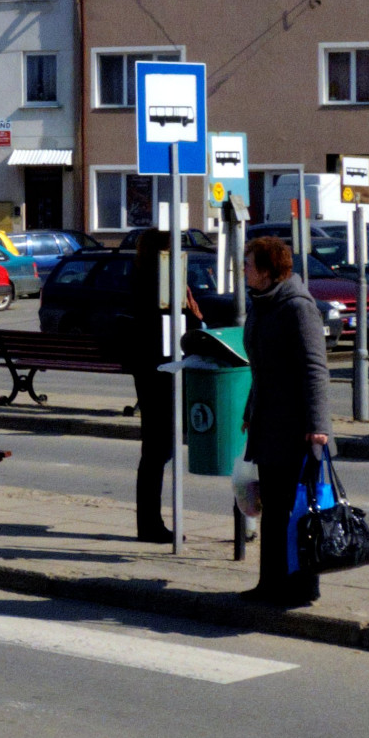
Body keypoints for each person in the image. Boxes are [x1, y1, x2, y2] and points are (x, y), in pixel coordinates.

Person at [240, 236, 332, 607]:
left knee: (298, 509)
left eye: (248, 264)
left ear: (265, 270)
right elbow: (262, 368)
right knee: (274, 509)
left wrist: (318, 426)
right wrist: (250, 410)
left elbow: (315, 368)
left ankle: (302, 587)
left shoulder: (296, 306)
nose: (243, 270)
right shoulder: (262, 304)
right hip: (268, 422)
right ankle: (271, 584)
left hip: (296, 427)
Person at [128, 229, 201, 544]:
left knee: (154, 450)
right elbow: (189, 324)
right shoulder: (164, 284)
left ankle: (149, 522)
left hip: (148, 369)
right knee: (158, 450)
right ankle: (150, 525)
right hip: (161, 371)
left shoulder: (141, 276)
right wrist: (193, 311)